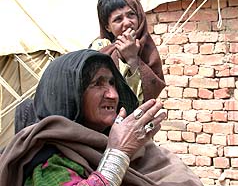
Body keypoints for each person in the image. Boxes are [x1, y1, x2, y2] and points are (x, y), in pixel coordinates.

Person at [0, 49, 203, 186]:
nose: (113, 95)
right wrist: (118, 154)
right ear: (70, 95)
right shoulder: (44, 161)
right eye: (97, 84)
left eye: (112, 83)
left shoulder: (136, 150)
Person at [90, 0, 166, 105]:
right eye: (118, 19)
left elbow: (147, 98)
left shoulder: (148, 51)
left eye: (131, 15)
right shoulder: (99, 49)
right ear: (107, 27)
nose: (127, 23)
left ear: (139, 17)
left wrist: (132, 59)